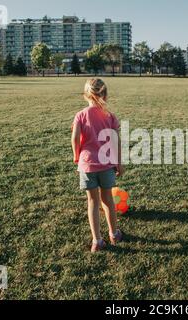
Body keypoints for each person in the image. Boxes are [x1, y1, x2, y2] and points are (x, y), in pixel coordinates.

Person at [71, 78, 124, 253]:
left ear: (86, 95)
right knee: (108, 200)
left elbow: (75, 138)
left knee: (92, 201)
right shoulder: (110, 116)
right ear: (105, 95)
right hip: (106, 165)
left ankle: (97, 240)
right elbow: (116, 142)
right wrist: (119, 163)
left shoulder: (80, 115)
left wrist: (76, 155)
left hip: (87, 165)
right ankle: (114, 234)